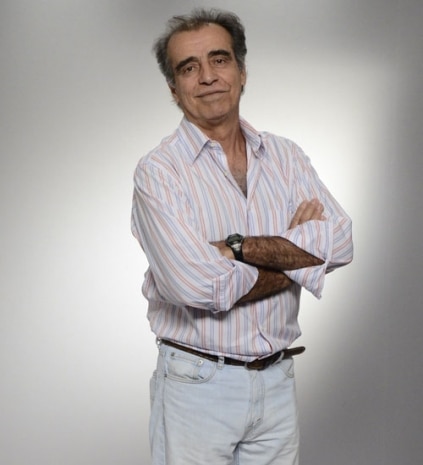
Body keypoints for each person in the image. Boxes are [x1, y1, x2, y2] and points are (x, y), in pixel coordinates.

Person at [131, 8, 353, 465]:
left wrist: (237, 248)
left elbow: (341, 242)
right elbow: (196, 285)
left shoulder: (286, 157)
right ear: (173, 89)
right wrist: (295, 258)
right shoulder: (159, 172)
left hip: (277, 379)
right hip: (197, 385)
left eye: (220, 59)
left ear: (242, 71)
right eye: (189, 68)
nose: (208, 76)